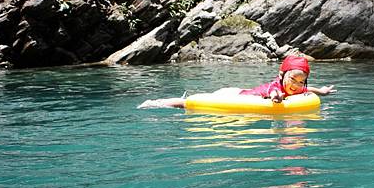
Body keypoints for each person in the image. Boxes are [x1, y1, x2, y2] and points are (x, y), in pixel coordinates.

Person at [138, 55, 336, 108]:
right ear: (282, 74)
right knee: (189, 103)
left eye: (302, 82)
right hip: (235, 95)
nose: (297, 85)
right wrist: (276, 100)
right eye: (293, 79)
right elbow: (274, 93)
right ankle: (156, 103)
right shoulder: (276, 87)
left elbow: (309, 90)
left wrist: (323, 91)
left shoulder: (300, 89)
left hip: (243, 91)